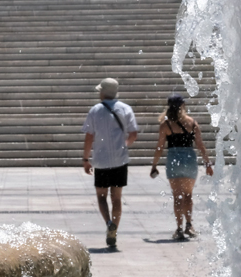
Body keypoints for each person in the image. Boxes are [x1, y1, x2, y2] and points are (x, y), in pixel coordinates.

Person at [82, 77, 139, 248]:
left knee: (101, 196)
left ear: (103, 92)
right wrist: (124, 145)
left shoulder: (95, 110)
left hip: (101, 160)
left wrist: (86, 159)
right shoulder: (125, 109)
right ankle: (115, 226)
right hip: (120, 160)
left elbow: (89, 136)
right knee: (117, 198)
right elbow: (134, 133)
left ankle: (108, 223)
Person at [148, 95, 214, 240]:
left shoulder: (165, 125)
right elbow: (200, 145)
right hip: (189, 160)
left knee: (177, 196)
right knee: (188, 196)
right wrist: (208, 163)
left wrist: (154, 165)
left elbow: (160, 147)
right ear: (183, 105)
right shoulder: (192, 123)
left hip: (174, 160)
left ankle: (178, 229)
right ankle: (189, 226)